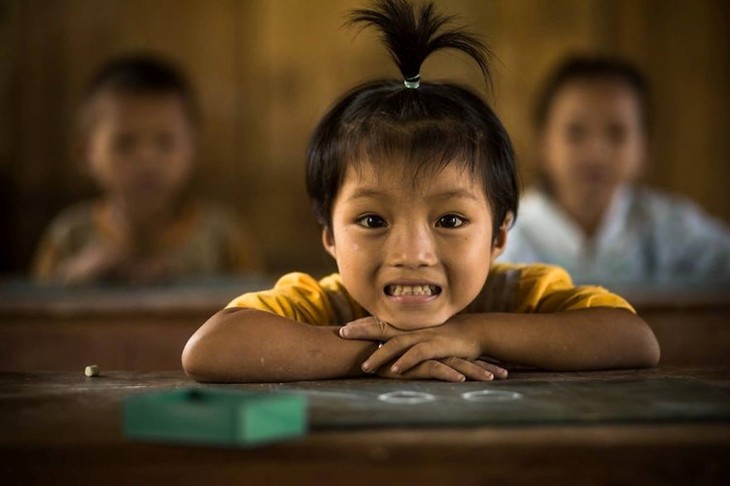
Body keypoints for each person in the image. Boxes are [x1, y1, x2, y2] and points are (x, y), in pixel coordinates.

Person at [182, 0, 659, 383]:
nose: (412, 253)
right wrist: (386, 352)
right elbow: (211, 349)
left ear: (499, 236)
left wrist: (472, 333)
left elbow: (634, 341)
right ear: (328, 233)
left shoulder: (519, 295)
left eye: (450, 220)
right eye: (372, 221)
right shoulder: (323, 305)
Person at [498, 55, 730, 285]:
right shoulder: (509, 232)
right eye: (575, 132)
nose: (596, 152)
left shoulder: (671, 228)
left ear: (644, 147)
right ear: (543, 143)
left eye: (617, 133)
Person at [32, 54, 263, 285]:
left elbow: (257, 311)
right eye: (125, 143)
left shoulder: (223, 240)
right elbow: (36, 312)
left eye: (165, 142)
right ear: (85, 153)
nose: (147, 161)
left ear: (193, 149)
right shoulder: (69, 237)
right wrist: (73, 278)